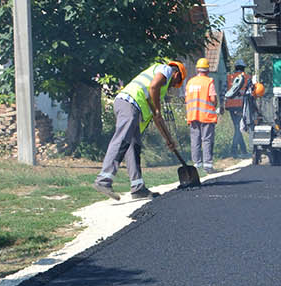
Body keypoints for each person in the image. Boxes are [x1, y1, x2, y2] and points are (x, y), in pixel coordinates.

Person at [94, 59, 187, 200]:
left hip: (129, 105)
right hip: (129, 103)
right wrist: (156, 110)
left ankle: (138, 188)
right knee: (122, 139)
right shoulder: (165, 70)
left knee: (133, 146)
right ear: (176, 74)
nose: (173, 86)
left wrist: (169, 140)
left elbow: (157, 118)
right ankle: (103, 180)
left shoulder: (158, 91)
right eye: (177, 82)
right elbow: (154, 87)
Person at [185, 57, 219, 172]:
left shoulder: (190, 82)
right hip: (206, 116)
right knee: (206, 140)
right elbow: (213, 98)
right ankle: (208, 165)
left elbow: (186, 98)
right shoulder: (209, 82)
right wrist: (216, 104)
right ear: (207, 70)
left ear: (197, 69)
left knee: (195, 140)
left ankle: (196, 165)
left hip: (193, 115)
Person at [223, 60, 250, 157]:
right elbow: (250, 94)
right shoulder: (247, 78)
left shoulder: (229, 78)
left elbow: (224, 92)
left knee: (237, 128)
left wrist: (223, 105)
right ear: (243, 68)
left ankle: (243, 150)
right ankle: (234, 151)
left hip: (230, 106)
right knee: (238, 128)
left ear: (235, 67)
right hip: (241, 106)